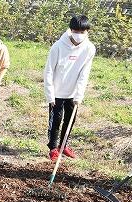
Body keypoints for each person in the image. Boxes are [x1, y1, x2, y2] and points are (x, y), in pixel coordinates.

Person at [43, 15, 96, 161]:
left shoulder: (89, 49)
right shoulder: (58, 47)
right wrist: (50, 94)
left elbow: (84, 73)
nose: (79, 35)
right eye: (76, 31)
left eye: (82, 32)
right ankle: (53, 148)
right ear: (71, 30)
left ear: (87, 32)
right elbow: (48, 71)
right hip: (57, 92)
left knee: (70, 120)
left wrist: (79, 94)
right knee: (55, 120)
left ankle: (63, 145)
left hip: (73, 93)